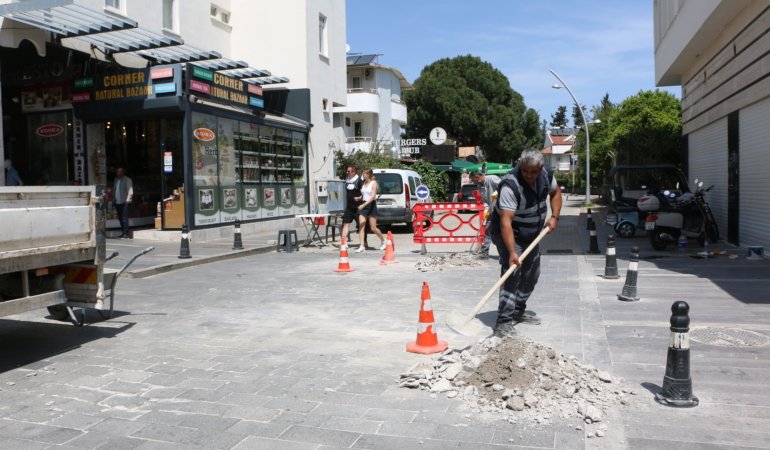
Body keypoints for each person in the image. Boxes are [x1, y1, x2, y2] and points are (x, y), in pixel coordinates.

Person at [488, 149, 562, 338]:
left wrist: (554, 216)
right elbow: (505, 222)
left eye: (533, 172)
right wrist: (512, 252)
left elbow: (556, 193)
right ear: (520, 165)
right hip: (508, 233)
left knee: (532, 274)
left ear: (540, 168)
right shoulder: (510, 185)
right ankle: (503, 322)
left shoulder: (546, 176)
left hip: (532, 234)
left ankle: (517, 311)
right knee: (512, 273)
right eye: (525, 171)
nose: (529, 175)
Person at [470, 170, 501, 258]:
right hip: (492, 210)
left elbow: (504, 186)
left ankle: (504, 252)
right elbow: (485, 200)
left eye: (474, 180)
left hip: (501, 209)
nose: (473, 182)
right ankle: (485, 251)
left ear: (478, 176)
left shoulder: (492, 179)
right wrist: (486, 210)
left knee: (500, 231)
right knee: (488, 229)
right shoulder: (480, 186)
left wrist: (498, 192)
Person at [355, 168, 386, 253]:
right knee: (361, 225)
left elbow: (372, 197)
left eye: (364, 173)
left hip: (371, 205)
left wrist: (363, 205)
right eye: (363, 173)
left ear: (369, 174)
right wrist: (359, 198)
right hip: (364, 205)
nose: (363, 175)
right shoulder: (364, 183)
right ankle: (362, 245)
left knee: (373, 228)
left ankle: (383, 240)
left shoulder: (374, 183)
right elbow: (364, 194)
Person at [341, 165, 364, 243]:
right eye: (347, 171)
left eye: (348, 171)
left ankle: (364, 242)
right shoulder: (347, 180)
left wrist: (359, 198)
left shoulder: (359, 181)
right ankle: (343, 242)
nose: (347, 172)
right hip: (349, 207)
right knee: (345, 223)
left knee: (361, 225)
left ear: (353, 172)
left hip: (358, 207)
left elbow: (364, 194)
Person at [113, 167, 134, 238]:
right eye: (117, 172)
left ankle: (126, 233)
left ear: (123, 172)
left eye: (120, 171)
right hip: (117, 202)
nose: (119, 173)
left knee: (124, 218)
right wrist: (114, 200)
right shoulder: (116, 180)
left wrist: (127, 201)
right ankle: (123, 231)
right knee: (120, 218)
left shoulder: (127, 180)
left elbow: (130, 192)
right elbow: (115, 190)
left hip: (125, 202)